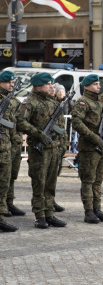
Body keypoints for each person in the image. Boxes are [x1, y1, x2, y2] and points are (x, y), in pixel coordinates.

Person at [16, 73, 66, 229]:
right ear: (38, 86)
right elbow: (20, 122)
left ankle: (50, 213)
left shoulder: (52, 102)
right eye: (48, 84)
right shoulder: (29, 102)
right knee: (39, 184)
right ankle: (40, 216)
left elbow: (60, 124)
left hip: (54, 149)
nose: (51, 86)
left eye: (51, 84)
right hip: (39, 151)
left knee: (51, 184)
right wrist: (38, 134)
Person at [70, 74, 103, 224]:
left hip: (102, 146)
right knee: (88, 181)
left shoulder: (100, 102)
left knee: (98, 180)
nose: (98, 86)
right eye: (95, 84)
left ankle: (97, 209)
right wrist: (93, 136)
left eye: (98, 84)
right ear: (87, 86)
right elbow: (76, 122)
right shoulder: (83, 102)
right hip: (89, 147)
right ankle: (88, 211)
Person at [0, 71, 16, 232]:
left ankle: (1, 218)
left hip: (5, 149)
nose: (11, 84)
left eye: (12, 82)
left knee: (4, 185)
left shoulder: (8, 101)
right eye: (8, 82)